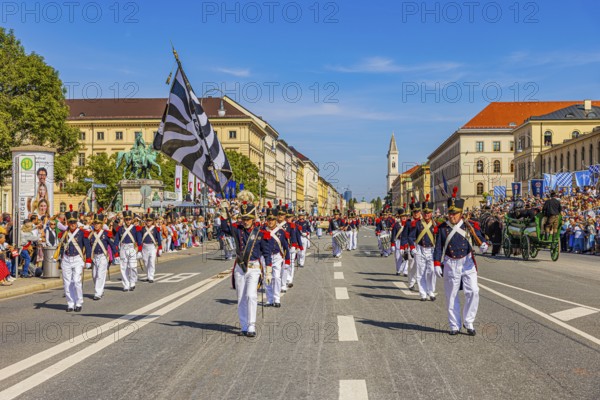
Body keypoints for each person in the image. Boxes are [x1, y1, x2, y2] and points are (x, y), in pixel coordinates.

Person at [434, 187, 489, 336]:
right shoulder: (443, 229)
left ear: (461, 213)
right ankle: (454, 325)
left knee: (473, 291)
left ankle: (469, 321)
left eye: (455, 213)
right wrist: (437, 264)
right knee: (451, 295)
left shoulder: (469, 225)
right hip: (451, 263)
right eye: (450, 213)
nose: (452, 216)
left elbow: (480, 237)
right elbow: (438, 247)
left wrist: (483, 244)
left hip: (467, 263)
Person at [220, 201, 272, 338]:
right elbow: (225, 228)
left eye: (248, 219)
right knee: (241, 297)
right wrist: (224, 212)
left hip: (254, 268)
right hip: (240, 267)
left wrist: (269, 270)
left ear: (253, 219)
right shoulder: (237, 229)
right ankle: (244, 325)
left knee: (251, 295)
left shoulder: (261, 233)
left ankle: (251, 325)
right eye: (243, 219)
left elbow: (266, 253)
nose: (245, 221)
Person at [57, 205, 92, 312]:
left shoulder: (82, 233)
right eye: (70, 222)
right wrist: (60, 258)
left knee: (76, 281)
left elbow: (88, 247)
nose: (72, 224)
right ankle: (70, 303)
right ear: (67, 223)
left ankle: (79, 302)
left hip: (77, 259)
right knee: (67, 283)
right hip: (66, 259)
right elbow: (61, 247)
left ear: (76, 222)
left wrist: (88, 260)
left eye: (74, 222)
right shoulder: (64, 234)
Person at [409, 195, 437, 301]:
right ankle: (423, 294)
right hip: (420, 249)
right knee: (420, 273)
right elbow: (411, 237)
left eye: (428, 213)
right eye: (425, 212)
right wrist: (412, 248)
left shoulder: (435, 225)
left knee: (431, 272)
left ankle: (431, 290)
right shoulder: (417, 224)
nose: (426, 214)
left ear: (431, 213)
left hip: (431, 250)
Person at [263, 202, 290, 308]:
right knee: (267, 277)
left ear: (275, 220)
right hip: (265, 257)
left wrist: (287, 259)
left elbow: (285, 247)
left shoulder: (281, 232)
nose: (270, 222)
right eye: (268, 219)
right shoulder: (262, 231)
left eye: (273, 219)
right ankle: (269, 299)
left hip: (277, 256)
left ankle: (277, 298)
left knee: (276, 277)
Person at [89, 209, 117, 300]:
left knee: (100, 275)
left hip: (103, 257)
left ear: (101, 224)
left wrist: (116, 254)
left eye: (98, 223)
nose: (96, 225)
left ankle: (98, 293)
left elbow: (112, 244)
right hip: (95, 257)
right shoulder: (91, 234)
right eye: (95, 223)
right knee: (94, 276)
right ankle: (100, 289)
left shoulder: (106, 234)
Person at [114, 205, 142, 292]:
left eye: (129, 219)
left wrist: (140, 251)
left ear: (132, 219)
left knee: (133, 267)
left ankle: (133, 282)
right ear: (124, 220)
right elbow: (116, 242)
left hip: (132, 248)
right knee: (123, 268)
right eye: (126, 219)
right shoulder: (120, 229)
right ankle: (126, 284)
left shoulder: (135, 228)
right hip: (123, 248)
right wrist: (116, 254)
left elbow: (139, 240)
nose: (128, 221)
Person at [140, 209, 162, 283]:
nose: (148, 222)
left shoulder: (155, 229)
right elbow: (140, 238)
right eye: (147, 220)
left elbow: (158, 238)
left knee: (152, 262)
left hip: (152, 246)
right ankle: (148, 275)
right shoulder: (142, 229)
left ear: (152, 221)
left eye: (150, 220)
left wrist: (160, 248)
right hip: (144, 247)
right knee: (146, 262)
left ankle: (151, 276)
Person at [390, 205, 409, 276]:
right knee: (398, 257)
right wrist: (392, 244)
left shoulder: (409, 224)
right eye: (402, 216)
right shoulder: (396, 225)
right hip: (398, 242)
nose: (404, 217)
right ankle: (398, 270)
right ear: (400, 217)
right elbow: (393, 235)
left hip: (406, 242)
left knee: (406, 257)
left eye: (405, 216)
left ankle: (405, 271)